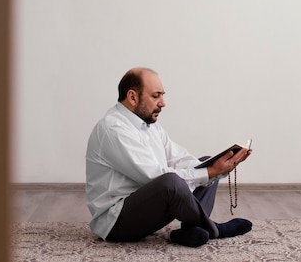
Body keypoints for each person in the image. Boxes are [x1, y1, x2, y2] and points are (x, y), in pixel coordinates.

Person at [85, 67, 253, 247]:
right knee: (172, 181)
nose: (163, 103)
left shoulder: (149, 125)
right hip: (117, 223)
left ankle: (192, 231)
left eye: (162, 95)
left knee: (204, 162)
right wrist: (210, 172)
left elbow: (178, 158)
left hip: (145, 211)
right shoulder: (113, 129)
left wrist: (216, 167)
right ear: (133, 97)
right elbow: (155, 177)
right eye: (156, 96)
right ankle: (214, 229)